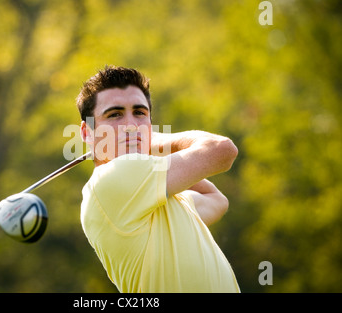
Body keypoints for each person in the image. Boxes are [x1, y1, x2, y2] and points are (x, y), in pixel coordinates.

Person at [76, 65, 240, 292]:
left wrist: (143, 143)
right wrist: (152, 141)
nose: (131, 125)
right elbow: (222, 149)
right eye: (115, 114)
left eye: (140, 113)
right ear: (87, 133)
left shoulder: (159, 194)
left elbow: (215, 199)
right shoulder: (111, 180)